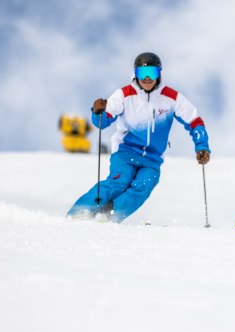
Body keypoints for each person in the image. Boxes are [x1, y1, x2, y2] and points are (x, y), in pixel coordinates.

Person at [67, 52, 211, 222]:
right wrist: (98, 112)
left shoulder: (171, 98)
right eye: (143, 73)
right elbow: (103, 122)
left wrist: (201, 146)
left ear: (160, 74)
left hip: (152, 158)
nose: (148, 78)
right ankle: (78, 214)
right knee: (119, 181)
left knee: (145, 184)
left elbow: (194, 121)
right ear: (135, 74)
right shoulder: (124, 95)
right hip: (125, 152)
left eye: (153, 73)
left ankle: (109, 215)